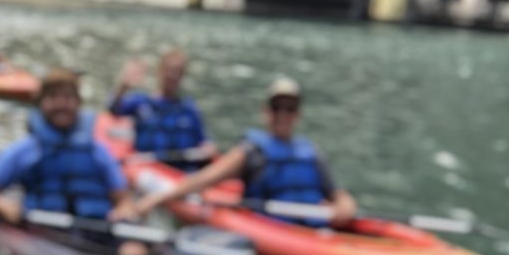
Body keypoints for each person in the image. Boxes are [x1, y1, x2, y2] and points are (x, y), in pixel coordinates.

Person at [127, 76, 357, 228]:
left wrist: (345, 205)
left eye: (290, 108)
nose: (282, 114)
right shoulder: (251, 151)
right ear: (266, 112)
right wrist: (154, 200)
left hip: (315, 227)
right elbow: (202, 180)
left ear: (297, 114)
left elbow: (337, 194)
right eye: (277, 107)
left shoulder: (311, 152)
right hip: (272, 229)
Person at [0, 67, 131, 232]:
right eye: (53, 97)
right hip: (42, 231)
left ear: (78, 102)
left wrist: (122, 210)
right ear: (41, 103)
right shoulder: (26, 149)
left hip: (96, 231)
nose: (61, 104)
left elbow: (122, 199)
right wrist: (3, 206)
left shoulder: (97, 150)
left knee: (132, 246)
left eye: (68, 97)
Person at [108, 48, 214, 167]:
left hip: (182, 170)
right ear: (159, 71)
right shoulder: (142, 102)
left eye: (178, 72)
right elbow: (113, 109)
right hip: (148, 167)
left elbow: (204, 141)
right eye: (169, 70)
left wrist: (208, 148)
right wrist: (124, 85)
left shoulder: (189, 109)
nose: (172, 76)